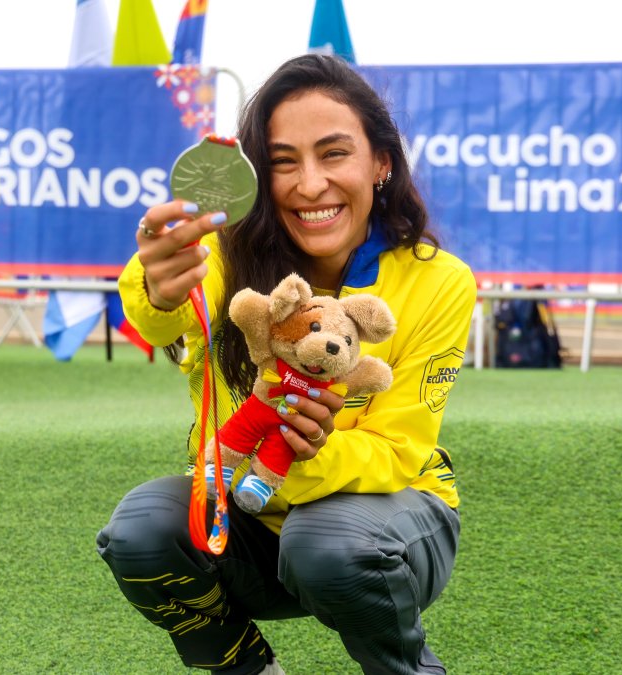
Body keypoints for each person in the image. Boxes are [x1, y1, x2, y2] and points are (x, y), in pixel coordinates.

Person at [97, 54, 476, 675]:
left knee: (324, 544)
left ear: (380, 162)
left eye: (334, 154)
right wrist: (160, 284)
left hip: (390, 520)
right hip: (248, 511)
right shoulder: (225, 254)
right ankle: (244, 668)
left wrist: (310, 454)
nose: (308, 185)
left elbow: (399, 450)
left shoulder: (440, 281)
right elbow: (164, 316)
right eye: (282, 162)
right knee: (140, 532)